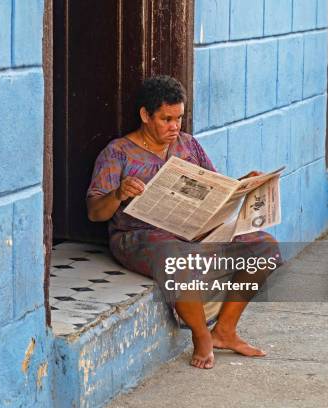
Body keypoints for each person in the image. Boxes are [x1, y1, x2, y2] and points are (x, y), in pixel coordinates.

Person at [86, 75, 281, 369]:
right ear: (145, 115)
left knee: (266, 247)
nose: (175, 126)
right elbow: (94, 212)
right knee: (176, 259)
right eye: (166, 119)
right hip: (141, 236)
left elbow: (217, 188)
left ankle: (225, 330)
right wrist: (118, 193)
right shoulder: (117, 153)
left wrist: (242, 184)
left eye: (179, 118)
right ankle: (202, 337)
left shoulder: (188, 145)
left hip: (192, 231)